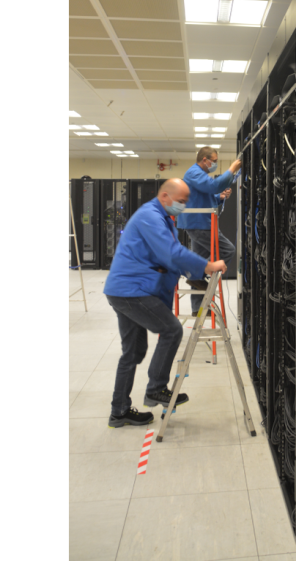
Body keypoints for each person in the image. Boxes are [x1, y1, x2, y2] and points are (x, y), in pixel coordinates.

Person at [102, 178, 225, 428]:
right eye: (181, 201)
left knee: (133, 352)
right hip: (131, 291)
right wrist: (206, 265)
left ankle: (119, 411)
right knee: (171, 330)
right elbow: (171, 252)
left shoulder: (162, 217)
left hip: (125, 289)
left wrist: (195, 275)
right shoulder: (150, 216)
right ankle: (156, 388)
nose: (183, 205)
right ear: (165, 197)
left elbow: (169, 257)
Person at [179, 147, 243, 313]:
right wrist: (232, 169)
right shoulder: (194, 173)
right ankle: (192, 271)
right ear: (204, 159)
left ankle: (197, 308)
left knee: (199, 269)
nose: (214, 163)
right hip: (199, 224)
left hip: (200, 223)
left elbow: (206, 196)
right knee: (228, 249)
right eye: (213, 161)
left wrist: (220, 197)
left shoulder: (199, 175)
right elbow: (214, 186)